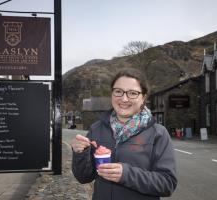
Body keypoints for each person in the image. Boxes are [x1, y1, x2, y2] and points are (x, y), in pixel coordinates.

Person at [71, 68, 177, 200]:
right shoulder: (96, 129)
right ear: (112, 94)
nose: (124, 98)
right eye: (118, 91)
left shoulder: (158, 133)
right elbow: (83, 177)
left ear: (143, 98)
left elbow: (167, 184)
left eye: (132, 93)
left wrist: (126, 174)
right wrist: (80, 152)